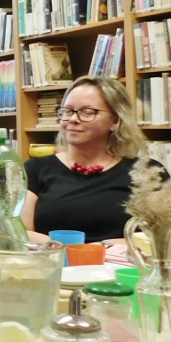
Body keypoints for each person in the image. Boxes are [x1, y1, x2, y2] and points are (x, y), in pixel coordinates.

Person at [23, 75, 152, 243]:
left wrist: (96, 249)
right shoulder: (35, 169)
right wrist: (74, 251)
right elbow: (20, 232)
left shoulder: (147, 172)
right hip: (54, 257)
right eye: (67, 111)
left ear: (115, 121)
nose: (73, 119)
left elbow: (161, 236)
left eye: (87, 112)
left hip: (120, 259)